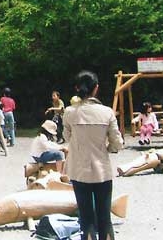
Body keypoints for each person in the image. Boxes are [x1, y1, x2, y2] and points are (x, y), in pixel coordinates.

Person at [63, 70, 123, 240]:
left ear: (77, 88)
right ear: (96, 88)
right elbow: (117, 142)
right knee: (105, 218)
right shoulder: (107, 112)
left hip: (79, 170)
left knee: (86, 217)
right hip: (102, 170)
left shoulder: (70, 112)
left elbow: (67, 137)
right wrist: (108, 148)